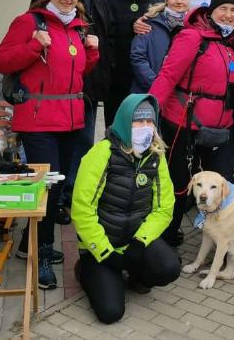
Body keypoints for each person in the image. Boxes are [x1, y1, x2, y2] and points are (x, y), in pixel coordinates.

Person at [0, 0, 100, 289]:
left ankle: (29, 244)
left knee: (59, 181)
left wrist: (92, 53)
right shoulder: (30, 22)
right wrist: (33, 45)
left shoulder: (78, 27)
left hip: (70, 119)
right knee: (49, 186)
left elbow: (77, 72)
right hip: (38, 120)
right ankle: (40, 251)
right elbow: (1, 61)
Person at [71, 94, 180, 324]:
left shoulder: (155, 157)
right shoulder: (102, 154)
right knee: (111, 313)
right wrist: (104, 253)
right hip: (102, 246)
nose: (146, 128)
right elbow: (82, 210)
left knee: (170, 267)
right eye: (138, 121)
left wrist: (141, 241)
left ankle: (137, 276)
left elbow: (165, 207)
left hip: (133, 242)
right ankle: (86, 270)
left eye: (150, 122)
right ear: (124, 121)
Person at [28, 0, 113, 227]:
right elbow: (31, 45)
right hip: (53, 96)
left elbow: (102, 41)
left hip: (85, 87)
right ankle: (55, 206)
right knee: (54, 163)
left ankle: (72, 197)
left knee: (82, 147)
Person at [149, 0, 234, 247]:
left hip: (221, 129)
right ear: (211, 11)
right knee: (179, 186)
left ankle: (221, 241)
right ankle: (164, 239)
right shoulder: (192, 37)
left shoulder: (231, 43)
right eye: (223, 8)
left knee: (222, 186)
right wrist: (147, 111)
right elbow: (168, 75)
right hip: (184, 124)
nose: (228, 14)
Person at [103, 0, 164, 127]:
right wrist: (130, 27)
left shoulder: (158, 2)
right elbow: (104, 33)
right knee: (115, 127)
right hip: (116, 80)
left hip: (146, 79)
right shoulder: (108, 0)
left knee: (144, 128)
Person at [130, 0, 190, 93]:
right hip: (148, 91)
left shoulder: (195, 27)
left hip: (179, 96)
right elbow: (138, 57)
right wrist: (156, 85)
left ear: (189, 0)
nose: (179, 1)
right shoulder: (149, 22)